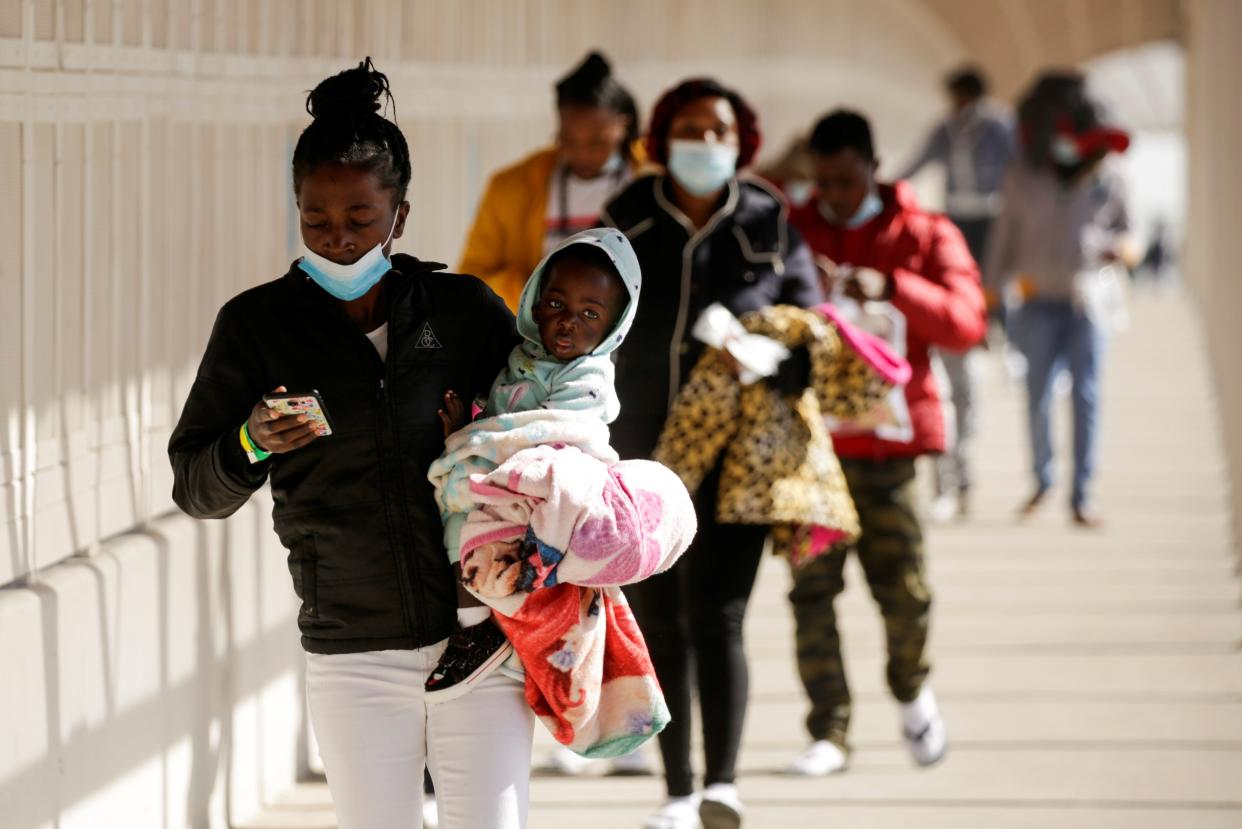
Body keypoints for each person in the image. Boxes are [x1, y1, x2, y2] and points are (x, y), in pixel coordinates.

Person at [167, 59, 532, 829]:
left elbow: (545, 427)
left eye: (360, 220)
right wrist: (251, 440)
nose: (337, 240)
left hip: (481, 633)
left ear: (400, 216)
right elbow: (195, 486)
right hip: (350, 650)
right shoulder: (257, 326)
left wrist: (487, 443)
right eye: (315, 219)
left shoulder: (464, 313)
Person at [602, 77, 822, 829]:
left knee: (720, 614)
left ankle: (723, 783)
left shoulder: (767, 215)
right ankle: (676, 789)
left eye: (718, 130)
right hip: (642, 451)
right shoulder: (626, 215)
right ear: (662, 138)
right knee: (660, 618)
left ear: (742, 140)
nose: (704, 142)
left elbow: (809, 326)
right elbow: (583, 316)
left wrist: (766, 354)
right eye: (689, 128)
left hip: (738, 457)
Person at [785, 110, 987, 776]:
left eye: (847, 180)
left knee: (903, 591)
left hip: (890, 451)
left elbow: (965, 322)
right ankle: (830, 729)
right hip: (810, 454)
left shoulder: (924, 232)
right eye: (824, 183)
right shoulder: (793, 229)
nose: (836, 195)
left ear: (874, 166)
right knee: (812, 592)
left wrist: (896, 289)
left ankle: (910, 687)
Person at [424, 228, 638, 701]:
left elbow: (557, 431)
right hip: (507, 473)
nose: (568, 324)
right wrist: (468, 429)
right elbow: (503, 416)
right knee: (457, 529)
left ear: (613, 326)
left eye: (589, 314)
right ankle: (485, 629)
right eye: (557, 306)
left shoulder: (589, 375)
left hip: (549, 487)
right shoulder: (522, 358)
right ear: (535, 305)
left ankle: (482, 632)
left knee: (483, 539)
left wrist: (481, 446)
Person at [984, 72, 1131, 527]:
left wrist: (1121, 250)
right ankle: (1043, 479)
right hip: (1036, 301)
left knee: (1086, 395)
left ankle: (1082, 494)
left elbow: (1132, 236)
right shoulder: (1022, 178)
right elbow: (1003, 239)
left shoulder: (1108, 180)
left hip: (1088, 301)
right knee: (1038, 393)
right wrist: (987, 296)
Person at [897, 66, 1016, 520]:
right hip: (960, 210)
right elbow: (918, 160)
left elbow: (1015, 164)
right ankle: (951, 482)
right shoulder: (946, 130)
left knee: (988, 279)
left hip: (991, 213)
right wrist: (890, 186)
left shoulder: (999, 125)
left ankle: (993, 330)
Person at [458, 50, 644, 312]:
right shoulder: (510, 187)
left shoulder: (654, 180)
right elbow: (469, 281)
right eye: (568, 140)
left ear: (623, 126)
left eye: (597, 142)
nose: (582, 154)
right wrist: (531, 290)